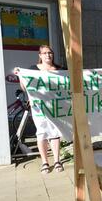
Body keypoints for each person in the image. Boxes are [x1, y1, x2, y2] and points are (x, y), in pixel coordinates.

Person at [18, 45, 64, 174]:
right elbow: (24, 87)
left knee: (55, 132)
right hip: (39, 107)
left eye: (50, 52)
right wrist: (21, 76)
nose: (48, 55)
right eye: (45, 53)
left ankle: (57, 160)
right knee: (42, 132)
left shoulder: (60, 69)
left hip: (56, 105)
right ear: (40, 55)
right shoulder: (33, 69)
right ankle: (45, 162)